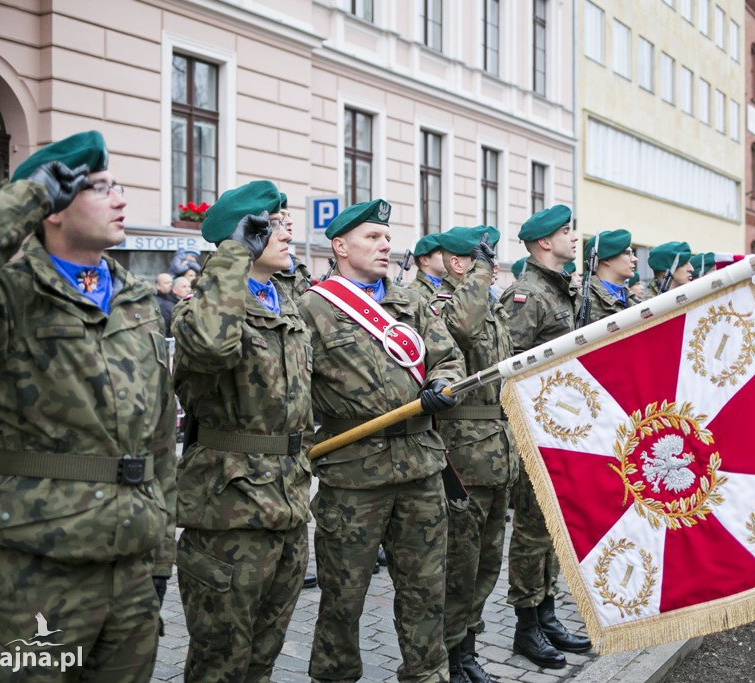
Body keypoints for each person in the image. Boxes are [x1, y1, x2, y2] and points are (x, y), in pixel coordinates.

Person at [0, 130, 176, 679]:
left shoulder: (135, 299)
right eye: (99, 188)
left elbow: (159, 436)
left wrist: (161, 554)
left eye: (118, 186)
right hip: (38, 569)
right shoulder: (7, 295)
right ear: (51, 206)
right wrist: (24, 196)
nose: (121, 199)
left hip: (132, 568)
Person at [297, 199, 465, 682]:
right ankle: (335, 676)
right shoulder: (313, 307)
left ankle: (426, 674)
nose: (384, 245)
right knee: (342, 596)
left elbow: (447, 356)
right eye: (372, 237)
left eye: (387, 237)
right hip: (353, 474)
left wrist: (442, 384)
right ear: (340, 246)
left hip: (421, 468)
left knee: (425, 589)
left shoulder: (410, 300)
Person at [171, 181, 313, 680]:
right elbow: (212, 347)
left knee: (262, 657)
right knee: (220, 663)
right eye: (270, 225)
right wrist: (231, 255)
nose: (284, 233)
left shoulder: (285, 304)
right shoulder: (201, 311)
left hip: (289, 503)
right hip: (230, 510)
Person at [500, 205, 591, 669]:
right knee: (533, 532)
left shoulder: (560, 290)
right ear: (543, 244)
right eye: (564, 232)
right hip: (533, 429)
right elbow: (508, 370)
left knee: (554, 529)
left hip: (561, 427)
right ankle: (526, 624)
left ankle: (547, 613)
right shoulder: (526, 296)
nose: (572, 238)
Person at [432, 226, 517, 683]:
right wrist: (481, 277)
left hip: (496, 453)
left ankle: (468, 646)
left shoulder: (488, 303)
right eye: (480, 259)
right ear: (458, 263)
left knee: (486, 563)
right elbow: (460, 329)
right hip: (465, 455)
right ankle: (448, 654)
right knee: (459, 567)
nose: (492, 266)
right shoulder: (444, 304)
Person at [582, 229, 639, 321]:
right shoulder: (584, 299)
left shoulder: (630, 297)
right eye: (627, 253)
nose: (635, 259)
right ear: (606, 259)